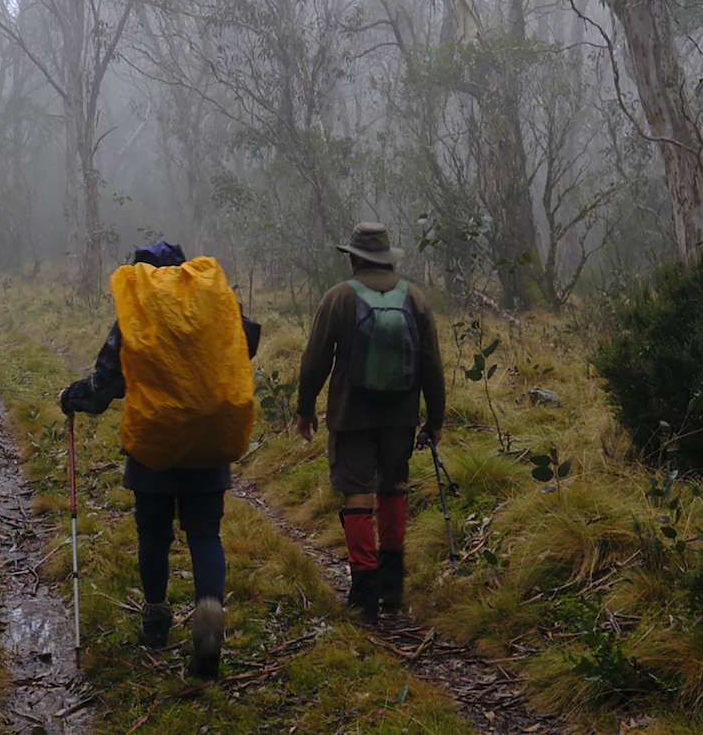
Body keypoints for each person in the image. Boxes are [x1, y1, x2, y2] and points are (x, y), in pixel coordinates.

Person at [59, 240, 260, 678]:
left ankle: (155, 619)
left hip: (152, 444)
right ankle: (208, 612)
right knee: (205, 535)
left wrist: (70, 398)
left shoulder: (138, 309)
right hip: (207, 441)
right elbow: (247, 341)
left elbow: (105, 384)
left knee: (153, 532)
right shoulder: (212, 301)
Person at [295, 221, 445, 622]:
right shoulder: (414, 297)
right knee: (393, 489)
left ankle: (364, 596)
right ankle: (393, 591)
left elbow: (314, 361)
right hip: (401, 416)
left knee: (357, 495)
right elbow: (431, 363)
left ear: (355, 258)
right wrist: (436, 418)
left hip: (351, 415)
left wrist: (305, 407)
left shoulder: (339, 297)